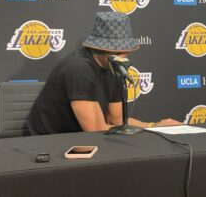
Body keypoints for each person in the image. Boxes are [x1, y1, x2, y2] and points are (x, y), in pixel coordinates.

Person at [28, 12, 180, 135]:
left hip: (81, 139)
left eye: (126, 48)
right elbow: (95, 130)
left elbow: (117, 121)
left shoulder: (114, 65)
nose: (124, 53)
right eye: (118, 48)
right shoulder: (78, 68)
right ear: (99, 47)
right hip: (49, 144)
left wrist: (154, 126)